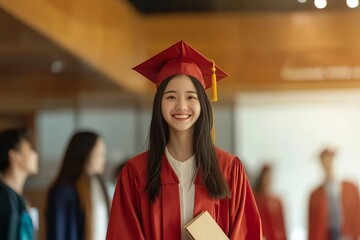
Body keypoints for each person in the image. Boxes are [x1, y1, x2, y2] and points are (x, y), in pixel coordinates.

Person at [106, 40, 262, 240]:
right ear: (159, 104)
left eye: (191, 97)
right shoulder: (136, 172)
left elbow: (247, 233)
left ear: (202, 104)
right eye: (171, 97)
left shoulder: (229, 169)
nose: (181, 106)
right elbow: (123, 233)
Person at [46, 131, 110, 240]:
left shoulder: (98, 184)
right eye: (99, 154)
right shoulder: (65, 190)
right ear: (85, 154)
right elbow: (59, 233)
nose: (103, 159)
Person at [308, 148, 360, 240]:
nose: (327, 165)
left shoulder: (351, 188)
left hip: (346, 234)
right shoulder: (315, 195)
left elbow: (357, 214)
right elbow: (312, 224)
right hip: (326, 234)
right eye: (324, 162)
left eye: (329, 160)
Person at [0, 128, 38, 240]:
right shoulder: (3, 199)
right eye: (30, 149)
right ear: (13, 155)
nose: (35, 154)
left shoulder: (19, 200)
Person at [254, 164, 287, 240]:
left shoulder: (278, 201)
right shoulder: (256, 199)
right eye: (266, 176)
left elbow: (282, 225)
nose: (268, 179)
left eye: (270, 176)